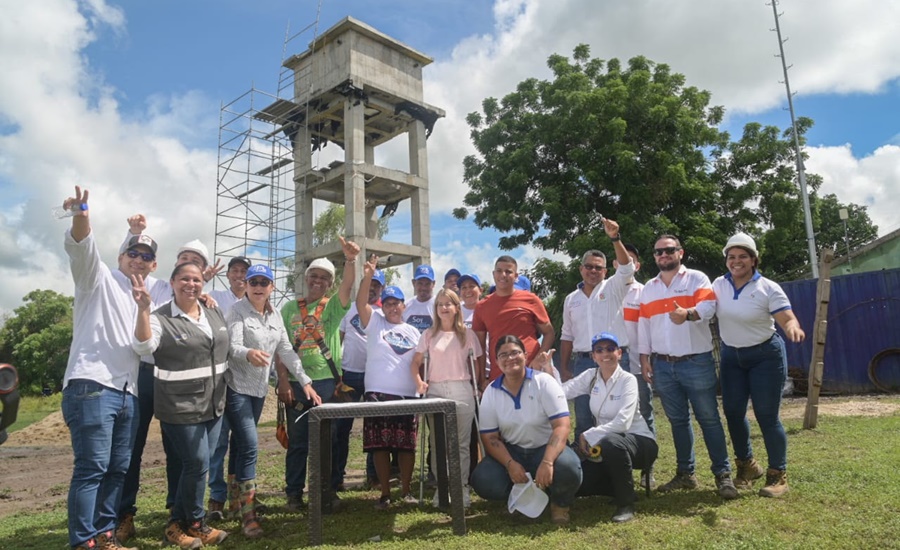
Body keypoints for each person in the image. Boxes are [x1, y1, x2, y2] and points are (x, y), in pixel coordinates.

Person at [116, 217, 218, 543]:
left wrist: (207, 295)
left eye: (197, 265)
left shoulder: (198, 299)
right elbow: (127, 263)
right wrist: (134, 234)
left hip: (176, 382)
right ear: (174, 267)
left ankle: (179, 515)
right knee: (131, 447)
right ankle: (124, 515)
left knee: (181, 454)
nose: (190, 268)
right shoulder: (156, 284)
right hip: (143, 374)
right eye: (185, 261)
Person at [60, 186, 144, 550]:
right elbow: (83, 247)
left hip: (128, 393)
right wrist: (82, 213)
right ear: (120, 257)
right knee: (92, 468)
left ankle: (105, 536)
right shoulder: (97, 280)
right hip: (93, 385)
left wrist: (136, 233)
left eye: (147, 256)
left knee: (117, 469)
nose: (139, 260)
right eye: (133, 254)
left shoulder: (140, 297)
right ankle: (83, 541)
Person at [132, 262, 229, 549]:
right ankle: (193, 523)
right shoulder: (162, 318)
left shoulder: (212, 310)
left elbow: (224, 347)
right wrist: (143, 311)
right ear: (172, 282)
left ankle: (180, 524)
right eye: (184, 279)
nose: (191, 284)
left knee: (198, 466)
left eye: (197, 279)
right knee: (196, 463)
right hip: (180, 406)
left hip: (213, 404)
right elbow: (144, 348)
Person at [224, 263, 321, 537]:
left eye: (263, 283)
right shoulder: (236, 310)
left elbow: (287, 350)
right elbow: (231, 346)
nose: (257, 287)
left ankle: (235, 504)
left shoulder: (275, 315)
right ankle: (249, 515)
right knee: (250, 446)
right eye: (253, 282)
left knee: (241, 445)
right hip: (237, 388)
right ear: (246, 285)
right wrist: (248, 353)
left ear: (271, 287)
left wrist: (305, 381)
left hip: (258, 391)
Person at [638, 235, 737, 499]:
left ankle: (723, 475)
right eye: (658, 252)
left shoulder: (696, 278)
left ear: (680, 252)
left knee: (709, 419)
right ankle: (686, 474)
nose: (663, 255)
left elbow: (709, 307)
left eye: (669, 250)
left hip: (696, 362)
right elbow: (644, 325)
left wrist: (689, 314)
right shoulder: (649, 288)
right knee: (678, 421)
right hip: (662, 364)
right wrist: (644, 357)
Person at [713, 233, 805, 498]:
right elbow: (704, 306)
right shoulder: (718, 284)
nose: (736, 261)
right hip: (731, 357)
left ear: (753, 260)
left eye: (743, 256)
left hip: (766, 356)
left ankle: (778, 475)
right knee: (732, 411)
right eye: (731, 257)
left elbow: (787, 318)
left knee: (766, 415)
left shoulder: (768, 287)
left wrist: (792, 327)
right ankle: (747, 466)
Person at [276, 237, 359, 511]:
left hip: (326, 383)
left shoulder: (333, 308)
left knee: (330, 440)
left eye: (324, 278)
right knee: (299, 441)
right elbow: (281, 348)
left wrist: (350, 260)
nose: (318, 281)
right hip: (298, 385)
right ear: (306, 278)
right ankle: (294, 494)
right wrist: (284, 381)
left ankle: (327, 491)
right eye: (314, 276)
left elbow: (348, 286)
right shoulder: (288, 309)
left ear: (329, 283)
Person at [539, 332, 657, 523]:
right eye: (599, 350)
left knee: (611, 442)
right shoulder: (590, 376)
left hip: (640, 443)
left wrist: (589, 434)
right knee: (579, 483)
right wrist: (548, 369)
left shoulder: (628, 380)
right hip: (605, 445)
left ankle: (625, 504)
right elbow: (561, 393)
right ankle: (620, 487)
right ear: (593, 356)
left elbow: (623, 422)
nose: (605, 354)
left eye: (610, 349)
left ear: (619, 353)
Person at [471, 335, 582, 524]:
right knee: (483, 479)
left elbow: (561, 426)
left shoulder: (544, 382)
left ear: (525, 354)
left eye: (515, 352)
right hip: (513, 451)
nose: (510, 358)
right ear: (497, 361)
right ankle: (523, 499)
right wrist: (509, 464)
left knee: (569, 468)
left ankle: (560, 503)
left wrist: (547, 462)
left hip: (545, 448)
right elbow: (490, 438)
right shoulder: (491, 391)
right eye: (503, 355)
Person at [558, 218, 633, 443]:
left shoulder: (614, 287)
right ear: (581, 269)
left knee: (615, 417)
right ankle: (586, 472)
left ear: (606, 270)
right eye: (588, 266)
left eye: (598, 267)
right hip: (582, 363)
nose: (593, 271)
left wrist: (615, 238)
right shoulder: (571, 299)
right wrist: (563, 367)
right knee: (583, 417)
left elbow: (627, 267)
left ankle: (616, 466)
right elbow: (567, 335)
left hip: (613, 359)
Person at [355, 256, 422, 509]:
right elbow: (360, 302)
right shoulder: (375, 322)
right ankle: (385, 493)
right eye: (389, 303)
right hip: (378, 394)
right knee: (380, 446)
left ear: (405, 306)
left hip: (407, 395)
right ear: (382, 305)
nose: (393, 307)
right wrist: (368, 276)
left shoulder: (414, 332)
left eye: (398, 303)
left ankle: (405, 491)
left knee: (406, 446)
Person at [410, 289, 483, 507]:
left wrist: (475, 384)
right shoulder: (428, 335)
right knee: (438, 443)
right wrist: (419, 383)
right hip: (436, 390)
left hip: (462, 388)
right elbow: (415, 364)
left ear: (456, 308)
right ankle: (442, 488)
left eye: (448, 304)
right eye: (440, 304)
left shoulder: (467, 335)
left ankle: (461, 488)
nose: (443, 307)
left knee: (461, 443)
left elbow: (477, 362)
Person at [207, 256, 252, 520]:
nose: (239, 275)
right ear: (228, 275)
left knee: (242, 440)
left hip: (246, 379)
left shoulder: (255, 301)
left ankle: (238, 498)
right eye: (235, 270)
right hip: (220, 378)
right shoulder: (215, 296)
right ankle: (216, 499)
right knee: (218, 440)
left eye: (244, 271)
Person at [336, 268, 385, 489]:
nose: (372, 288)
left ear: (382, 289)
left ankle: (373, 476)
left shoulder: (384, 314)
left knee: (374, 427)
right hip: (349, 375)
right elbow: (338, 340)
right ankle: (336, 476)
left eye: (376, 285)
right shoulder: (348, 310)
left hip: (375, 377)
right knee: (341, 427)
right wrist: (336, 371)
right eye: (369, 283)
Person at [473, 256, 555, 386]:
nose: (503, 275)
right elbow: (479, 347)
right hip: (500, 372)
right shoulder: (481, 306)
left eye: (508, 271)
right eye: (499, 271)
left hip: (531, 370)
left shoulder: (531, 299)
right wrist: (482, 379)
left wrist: (538, 358)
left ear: (516, 276)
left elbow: (549, 333)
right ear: (493, 274)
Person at [403, 264, 436, 333]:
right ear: (413, 283)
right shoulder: (405, 306)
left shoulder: (439, 305)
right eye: (420, 283)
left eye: (427, 284)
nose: (423, 288)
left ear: (433, 284)